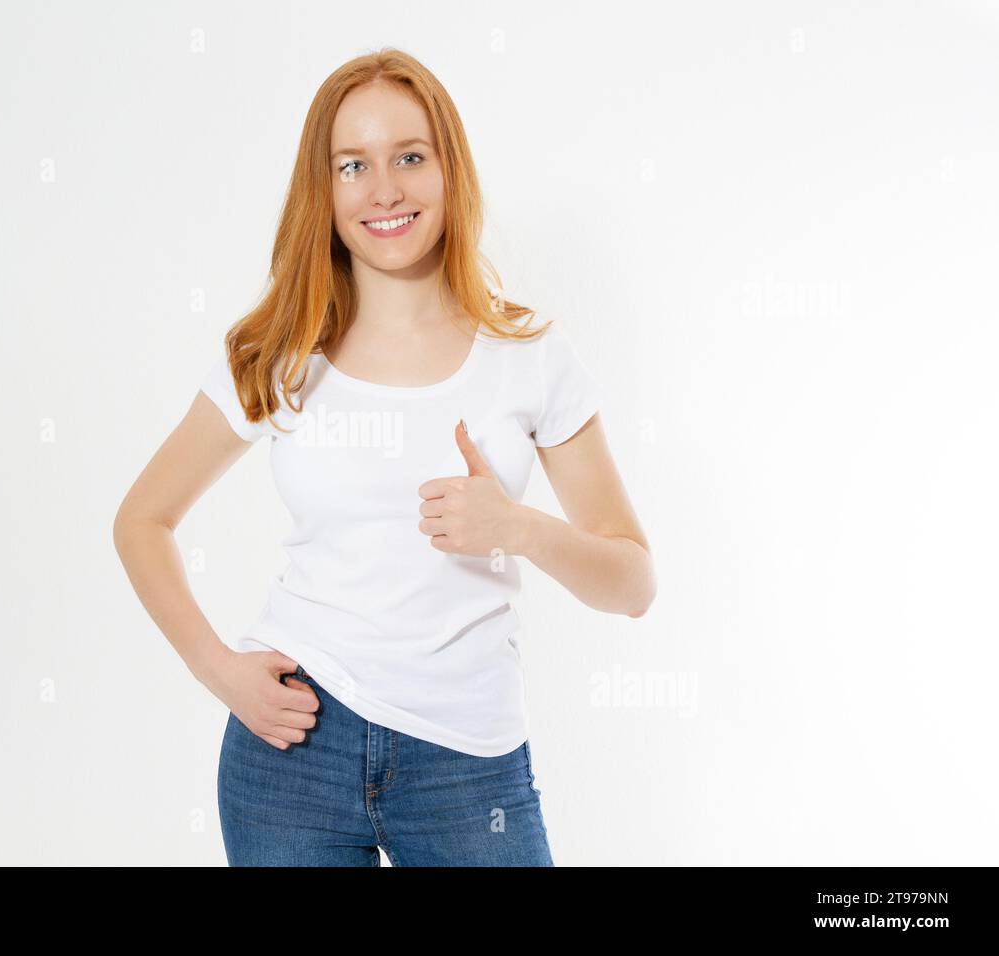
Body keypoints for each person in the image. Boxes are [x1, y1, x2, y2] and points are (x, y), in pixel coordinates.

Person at [113, 48, 655, 866]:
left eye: (409, 157)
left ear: (448, 170)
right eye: (353, 166)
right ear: (324, 191)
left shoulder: (530, 354)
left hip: (470, 768)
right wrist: (218, 671)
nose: (385, 190)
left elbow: (633, 584)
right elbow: (142, 520)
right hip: (292, 751)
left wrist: (517, 526)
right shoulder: (279, 354)